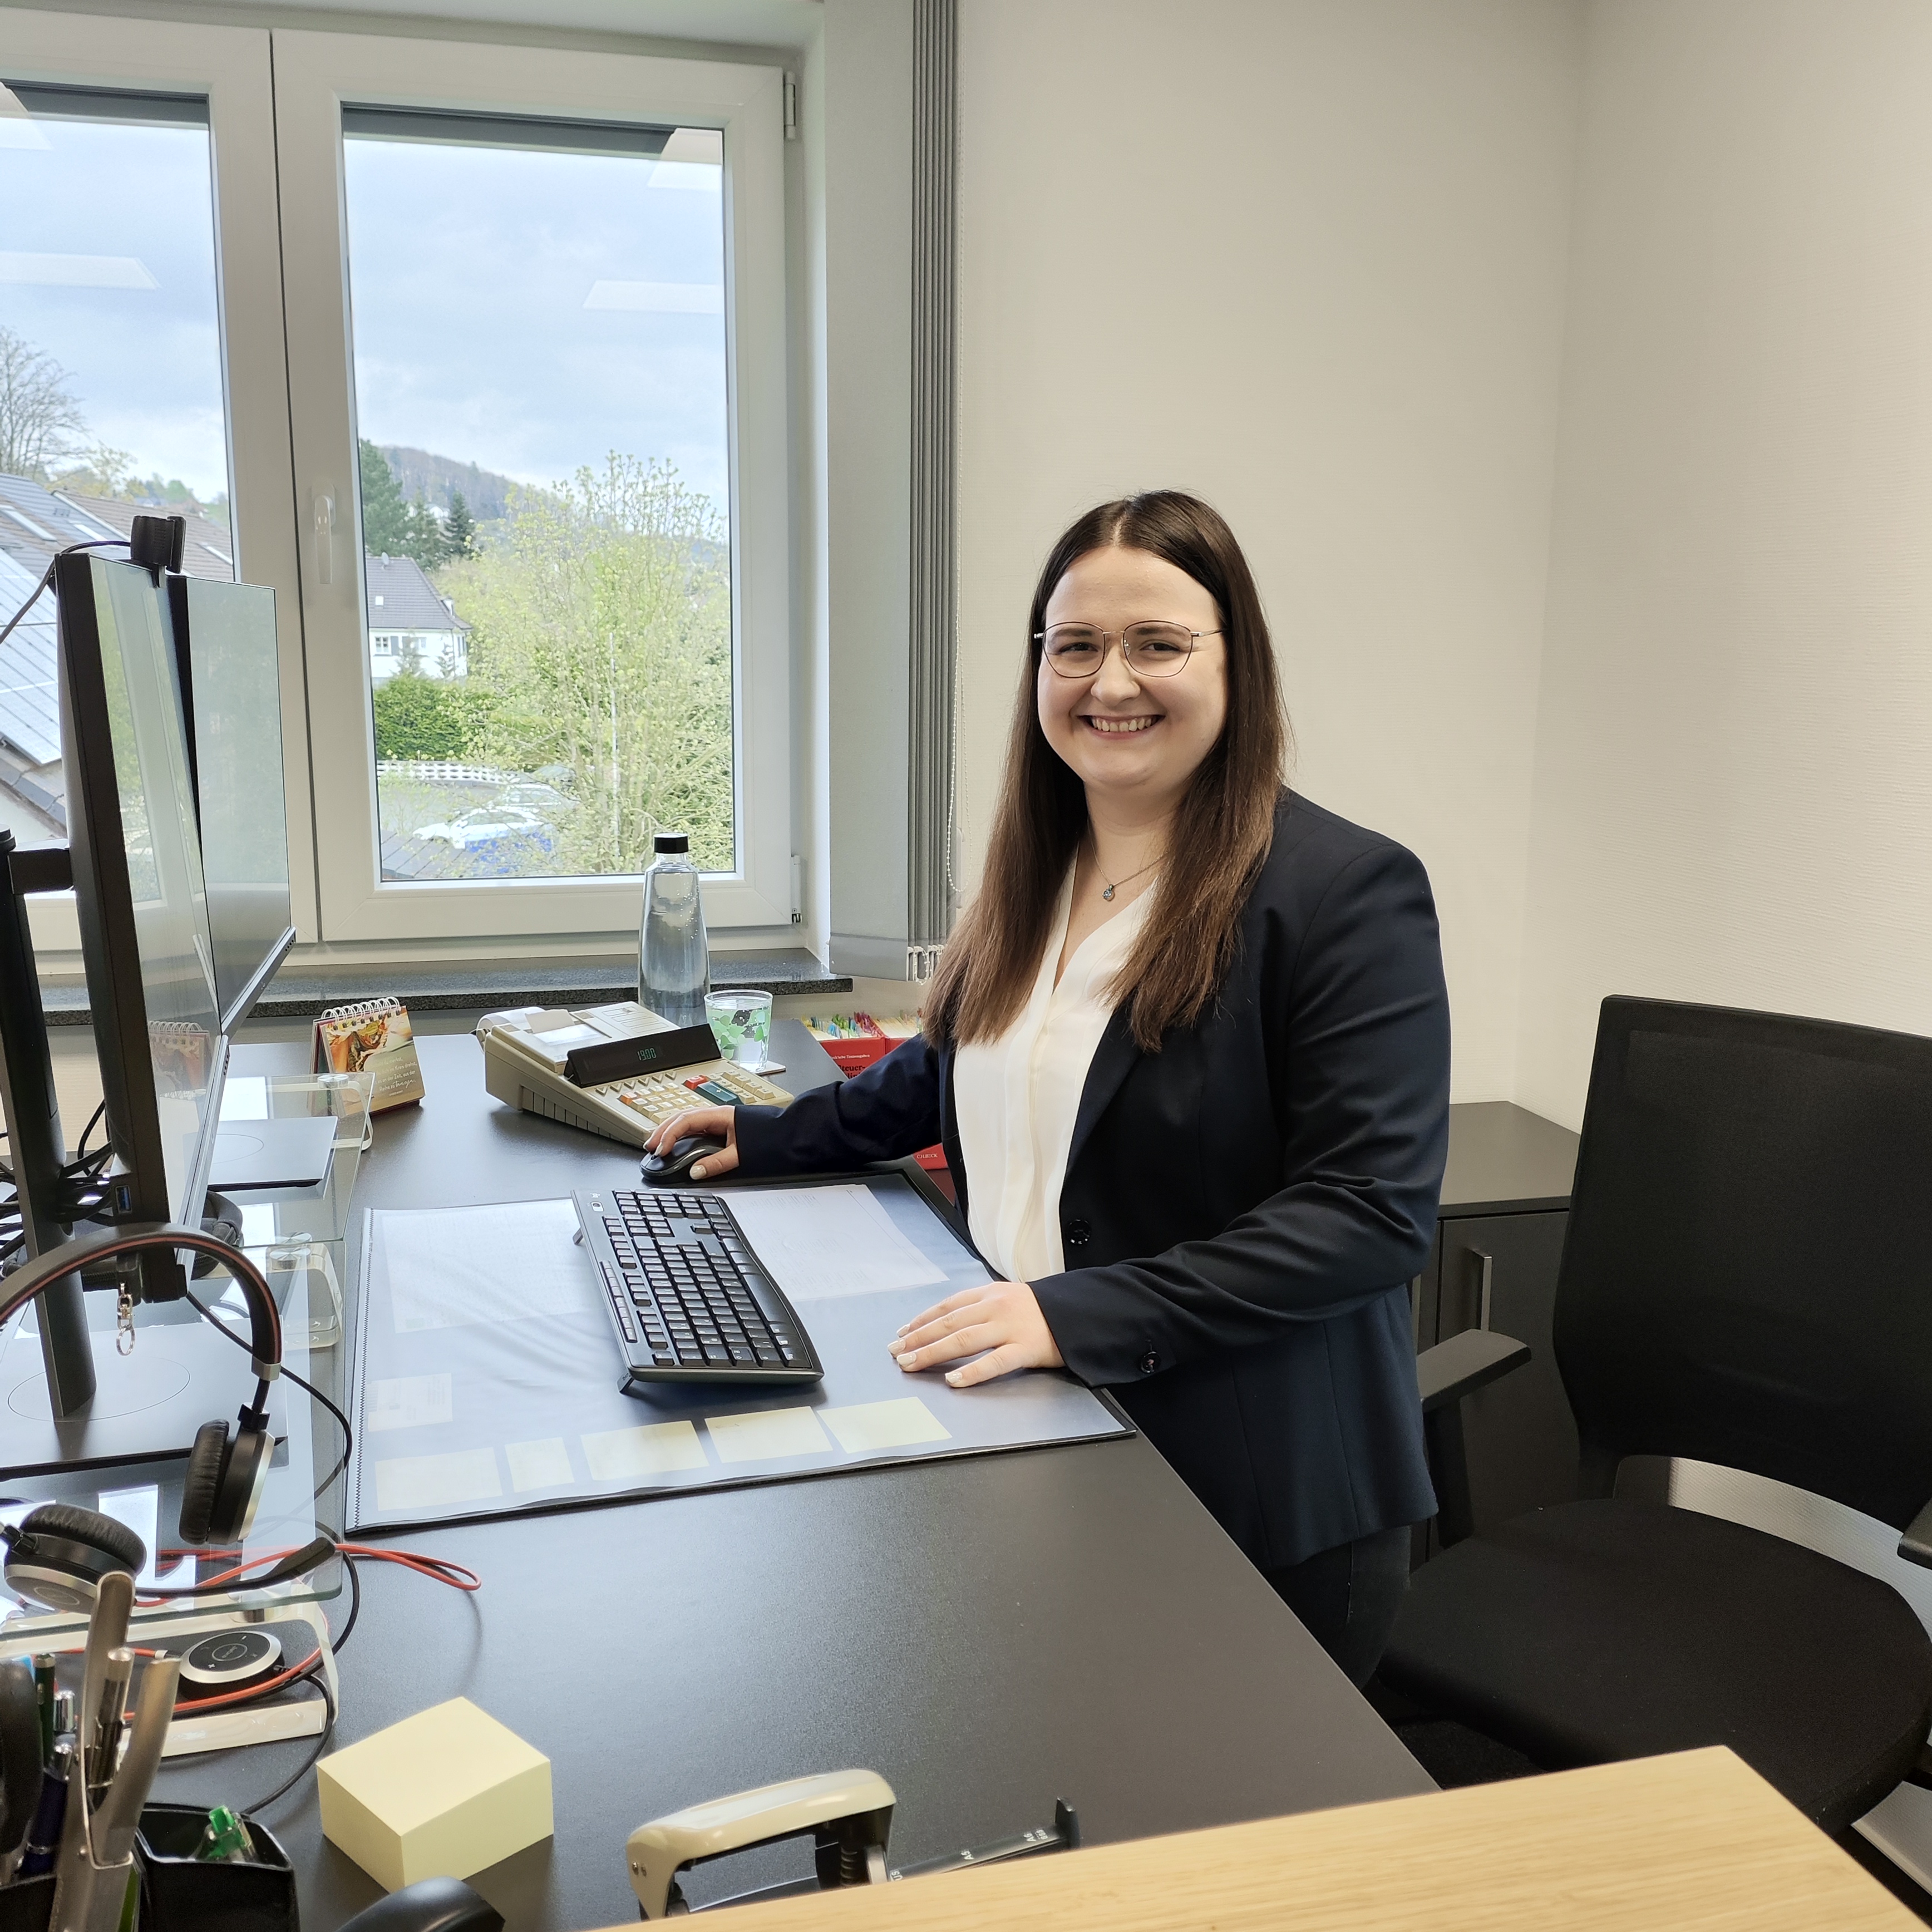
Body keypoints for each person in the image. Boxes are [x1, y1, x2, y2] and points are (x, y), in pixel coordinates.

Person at [648, 491, 1450, 1685]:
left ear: (1236, 661)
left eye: (1157, 642)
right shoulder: (1044, 865)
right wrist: (776, 1135)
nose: (1109, 681)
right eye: (1074, 646)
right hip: (1041, 1425)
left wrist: (1073, 1314)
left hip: (1248, 1488)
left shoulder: (1345, 894)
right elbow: (965, 1059)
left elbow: (1369, 1215)